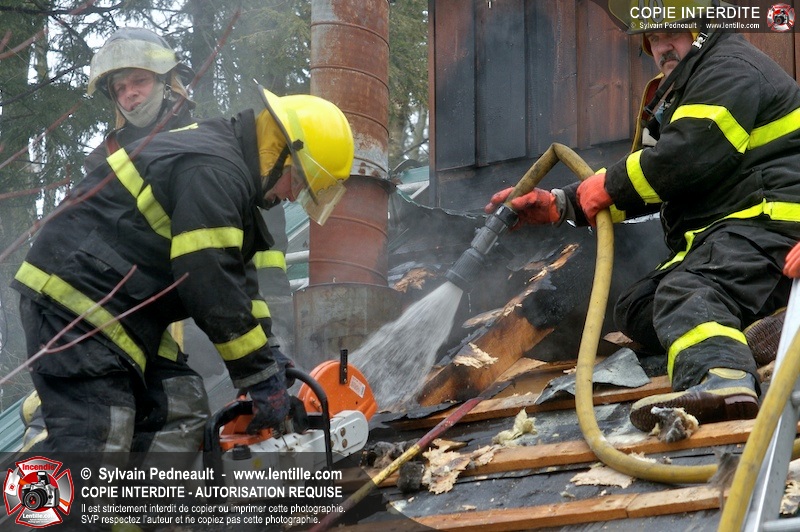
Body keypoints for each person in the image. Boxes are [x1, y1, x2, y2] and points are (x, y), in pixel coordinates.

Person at [487, 7, 800, 433]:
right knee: (637, 307)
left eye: (671, 32)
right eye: (652, 37)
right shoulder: (682, 90)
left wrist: (608, 186)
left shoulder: (729, 68)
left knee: (685, 293)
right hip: (732, 236)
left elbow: (683, 158)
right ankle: (766, 327)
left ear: (702, 26)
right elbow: (654, 183)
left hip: (769, 229)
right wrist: (563, 204)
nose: (662, 47)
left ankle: (724, 381)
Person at [11, 86, 354, 454]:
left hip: (126, 309)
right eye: (298, 182)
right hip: (77, 298)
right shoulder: (214, 170)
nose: (291, 196)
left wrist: (269, 353)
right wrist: (257, 373)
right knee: (99, 435)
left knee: (181, 407)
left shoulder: (231, 177)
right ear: (279, 152)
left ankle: (145, 494)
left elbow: (239, 284)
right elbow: (209, 280)